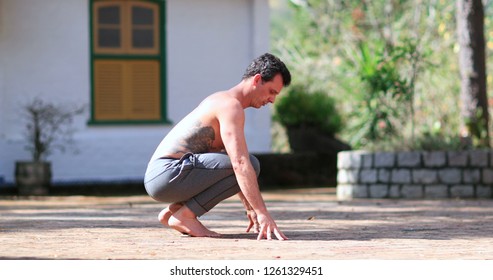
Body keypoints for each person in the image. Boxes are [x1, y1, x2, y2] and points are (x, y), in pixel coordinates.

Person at [144, 53, 291, 240]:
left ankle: (175, 212)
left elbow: (226, 163)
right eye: (272, 92)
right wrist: (262, 212)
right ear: (257, 80)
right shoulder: (231, 107)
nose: (272, 100)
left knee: (246, 164)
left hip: (163, 177)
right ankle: (185, 216)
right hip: (167, 173)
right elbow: (239, 163)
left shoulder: (221, 100)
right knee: (251, 164)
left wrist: (250, 207)